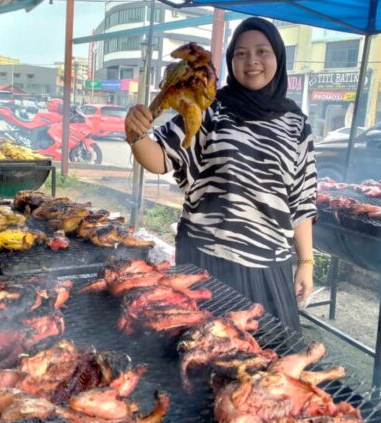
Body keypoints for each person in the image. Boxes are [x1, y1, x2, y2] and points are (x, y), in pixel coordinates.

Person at [124, 18, 317, 333]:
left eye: (262, 51)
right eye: (241, 53)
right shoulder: (210, 108)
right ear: (231, 60)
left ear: (278, 58)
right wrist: (136, 135)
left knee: (268, 353)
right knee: (197, 349)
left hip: (268, 265)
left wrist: (306, 263)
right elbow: (160, 158)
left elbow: (302, 200)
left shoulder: (296, 124)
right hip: (207, 262)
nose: (251, 61)